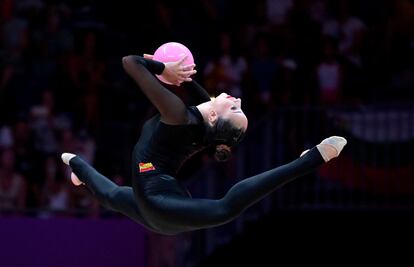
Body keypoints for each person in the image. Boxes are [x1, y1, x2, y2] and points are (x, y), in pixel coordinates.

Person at [61, 54, 347, 235]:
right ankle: (76, 167)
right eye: (239, 106)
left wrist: (161, 67)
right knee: (111, 196)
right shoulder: (202, 123)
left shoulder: (178, 115)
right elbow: (203, 97)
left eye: (235, 109)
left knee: (224, 209)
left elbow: (128, 62)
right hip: (162, 205)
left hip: (159, 203)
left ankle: (311, 159)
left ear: (213, 117)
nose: (238, 100)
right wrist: (179, 74)